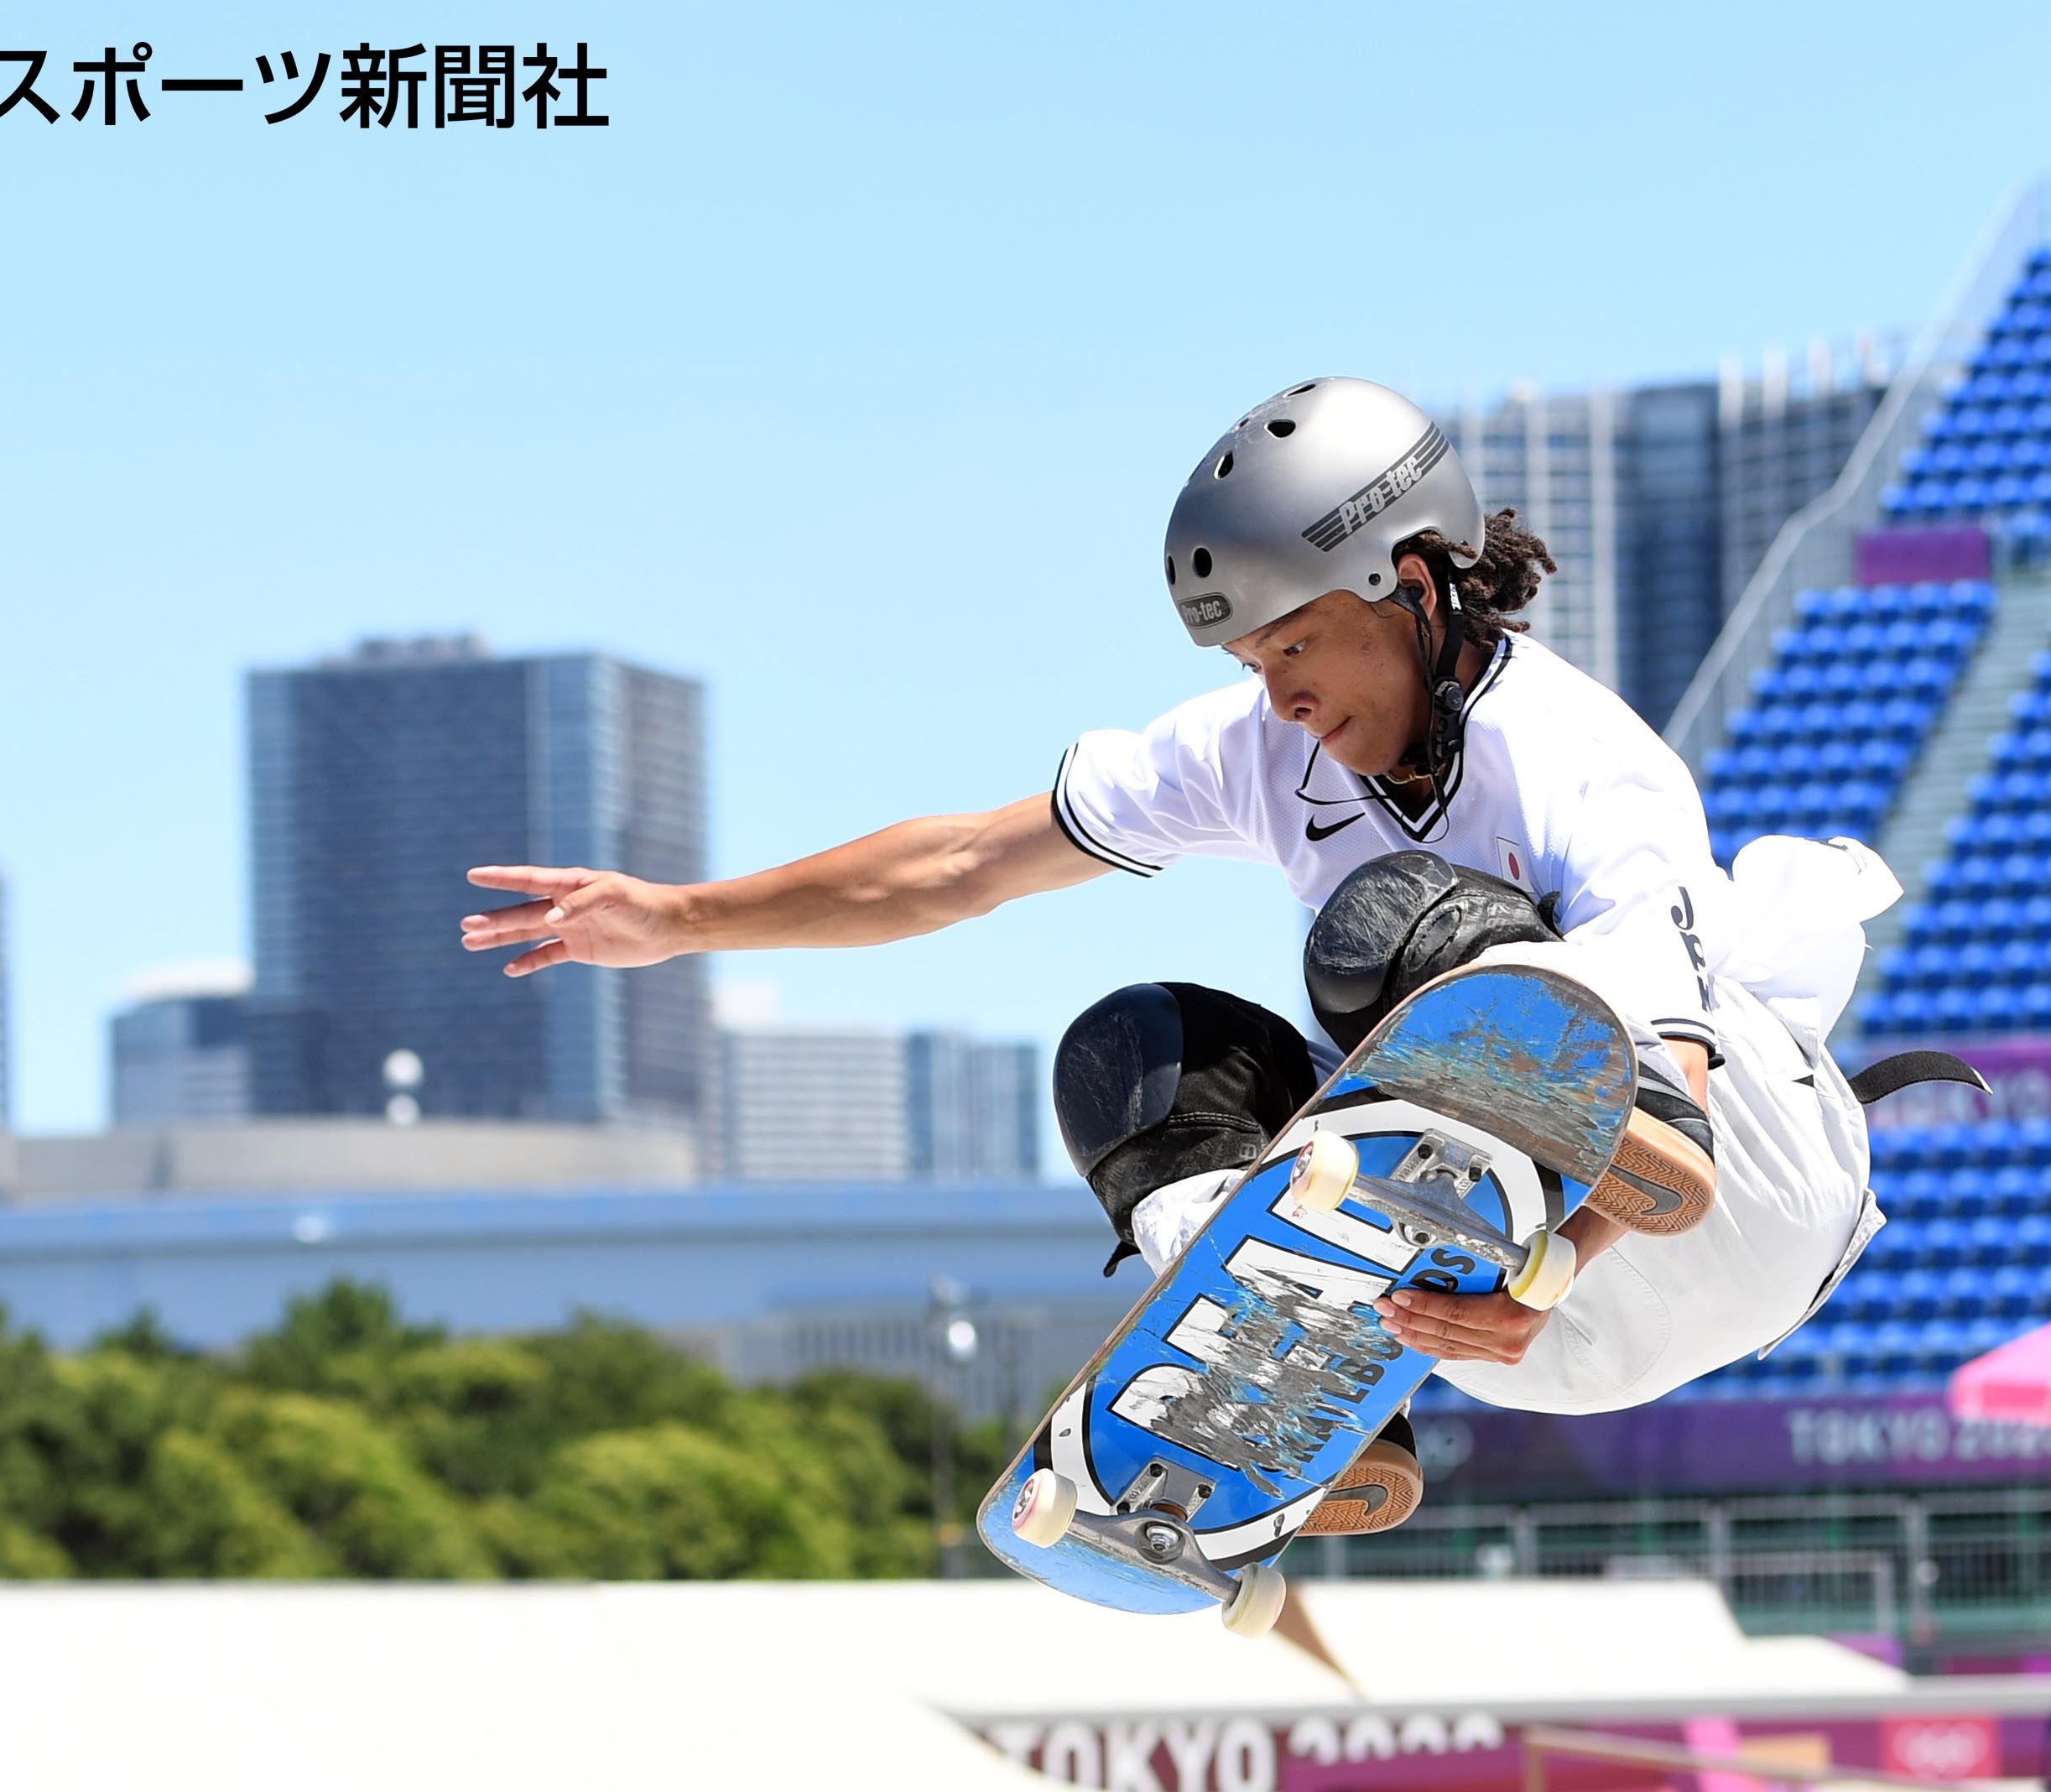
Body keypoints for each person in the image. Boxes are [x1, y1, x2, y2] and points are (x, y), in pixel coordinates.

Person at [461, 375, 1928, 1536]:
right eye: (1249, 669)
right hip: (1514, 1334)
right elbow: (967, 863)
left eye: (1295, 647)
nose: (1279, 700)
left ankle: (1520, 1213)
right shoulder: (1249, 752)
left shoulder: (1578, 758)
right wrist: (682, 918)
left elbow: (1671, 1079)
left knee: (1397, 936)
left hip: (1735, 1198)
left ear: (1415, 585)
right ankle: (1306, 1404)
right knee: (1133, 1049)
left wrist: (1572, 1252)